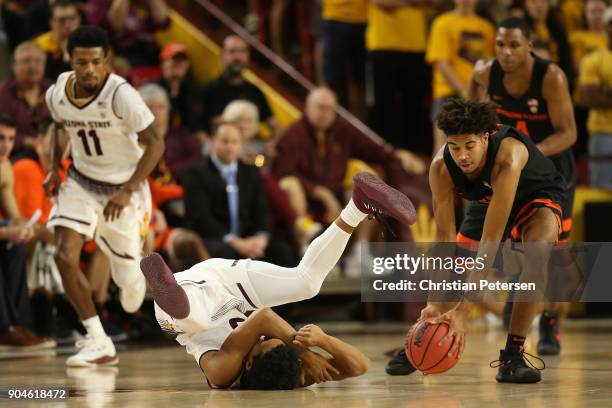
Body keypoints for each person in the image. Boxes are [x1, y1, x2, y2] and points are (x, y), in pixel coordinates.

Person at [141, 171, 416, 389]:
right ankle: (357, 207)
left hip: (194, 292)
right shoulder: (295, 375)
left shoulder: (222, 372)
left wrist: (308, 353)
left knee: (189, 320)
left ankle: (168, 288)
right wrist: (325, 342)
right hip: (233, 286)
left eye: (265, 343)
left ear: (248, 365)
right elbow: (361, 366)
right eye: (283, 345)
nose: (283, 341)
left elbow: (263, 318)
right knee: (306, 283)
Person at [396, 99, 567, 383]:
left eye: (470, 146)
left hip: (535, 196)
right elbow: (444, 239)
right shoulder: (441, 167)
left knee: (537, 252)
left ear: (486, 138)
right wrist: (433, 305)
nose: (462, 156)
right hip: (490, 200)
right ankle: (423, 336)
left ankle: (513, 355)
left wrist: (465, 310)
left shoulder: (508, 157)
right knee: (456, 269)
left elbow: (491, 240)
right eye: (454, 147)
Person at [43, 25, 164, 366]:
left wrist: (127, 191)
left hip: (124, 188)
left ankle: (135, 273)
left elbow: (156, 143)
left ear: (106, 61)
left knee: (127, 288)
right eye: (82, 63)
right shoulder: (57, 93)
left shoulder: (121, 95)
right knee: (64, 255)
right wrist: (54, 166)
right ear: (70, 61)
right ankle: (98, 339)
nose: (89, 70)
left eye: (96, 62)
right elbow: (58, 124)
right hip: (81, 182)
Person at [468, 17, 577, 356]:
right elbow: (471, 107)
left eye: (514, 45)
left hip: (551, 172)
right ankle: (516, 305)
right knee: (510, 247)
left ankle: (551, 322)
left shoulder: (551, 77)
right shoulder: (486, 73)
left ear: (529, 46)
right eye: (501, 44)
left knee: (552, 255)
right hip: (507, 169)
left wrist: (526, 152)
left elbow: (568, 133)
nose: (506, 52)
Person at [183, 123, 295, 267]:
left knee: (282, 252)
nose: (230, 147)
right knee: (224, 254)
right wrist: (235, 242)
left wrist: (261, 237)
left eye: (235, 142)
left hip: (248, 238)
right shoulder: (195, 173)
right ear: (212, 141)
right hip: (213, 237)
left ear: (241, 144)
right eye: (224, 141)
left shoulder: (251, 172)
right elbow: (200, 217)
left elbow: (262, 210)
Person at [0, 115, 56, 349]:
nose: (6, 145)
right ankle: (5, 328)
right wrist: (8, 233)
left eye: (11, 139)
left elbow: (14, 215)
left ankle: (20, 325)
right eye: (0, 138)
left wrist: (24, 229)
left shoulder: (4, 167)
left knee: (18, 244)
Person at [426, 0, 495, 153]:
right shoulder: (443, 23)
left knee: (476, 150)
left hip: (478, 96)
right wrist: (464, 91)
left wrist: (481, 93)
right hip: (448, 94)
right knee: (443, 150)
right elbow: (441, 63)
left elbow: (489, 63)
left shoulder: (487, 27)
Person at [200, 35, 281, 139]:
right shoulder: (209, 90)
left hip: (251, 150)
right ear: (223, 55)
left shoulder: (255, 91)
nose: (238, 57)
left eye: (242, 51)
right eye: (232, 51)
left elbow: (274, 125)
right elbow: (199, 130)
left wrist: (274, 144)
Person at [578, 7, 612, 188]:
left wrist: (606, 92)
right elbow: (588, 97)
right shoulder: (593, 59)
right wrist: (599, 94)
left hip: (603, 134)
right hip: (603, 133)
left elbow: (597, 95)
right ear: (606, 27)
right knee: (601, 194)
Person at [0, 41, 52, 155]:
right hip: (15, 154)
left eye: (38, 61)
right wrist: (27, 141)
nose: (32, 66)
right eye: (26, 61)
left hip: (51, 152)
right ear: (14, 65)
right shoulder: (3, 93)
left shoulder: (53, 90)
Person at [154, 42, 203, 133]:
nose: (178, 64)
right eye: (174, 59)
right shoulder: (151, 89)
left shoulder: (194, 91)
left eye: (182, 60)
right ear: (162, 63)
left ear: (188, 65)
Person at [33, 0, 81, 80]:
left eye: (72, 18)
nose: (67, 24)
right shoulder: (39, 46)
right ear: (51, 22)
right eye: (62, 20)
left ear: (79, 20)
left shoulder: (88, 42)